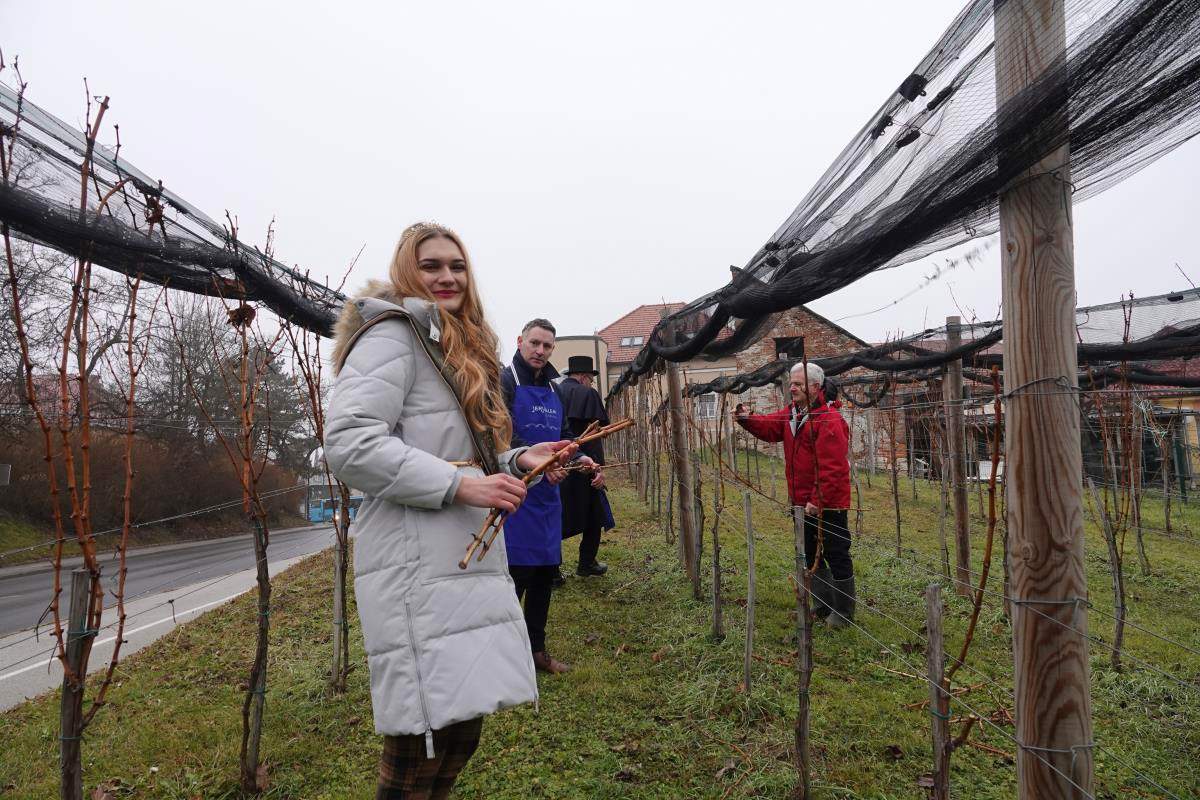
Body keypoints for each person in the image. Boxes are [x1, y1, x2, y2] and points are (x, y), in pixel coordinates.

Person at [325, 222, 576, 799]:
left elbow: (461, 455)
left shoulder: (453, 345)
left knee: (461, 731)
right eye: (431, 265)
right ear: (407, 272)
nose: (446, 277)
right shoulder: (393, 336)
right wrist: (462, 488)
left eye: (456, 266)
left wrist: (517, 462)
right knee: (420, 740)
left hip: (458, 560)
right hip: (415, 563)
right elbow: (350, 444)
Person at [735, 362, 855, 627]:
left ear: (815, 386)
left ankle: (844, 613)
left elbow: (832, 468)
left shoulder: (829, 420)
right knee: (811, 551)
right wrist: (747, 419)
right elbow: (770, 427)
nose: (792, 388)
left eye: (798, 384)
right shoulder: (793, 414)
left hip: (828, 504)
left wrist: (817, 500)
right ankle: (822, 605)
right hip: (801, 502)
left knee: (836, 553)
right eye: (791, 383)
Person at [499, 318, 583, 674]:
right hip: (515, 493)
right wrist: (536, 460)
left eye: (547, 346)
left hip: (548, 496)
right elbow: (500, 434)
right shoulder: (504, 381)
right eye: (535, 343)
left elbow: (563, 433)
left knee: (544, 575)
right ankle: (500, 655)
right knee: (514, 579)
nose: (540, 351)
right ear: (520, 342)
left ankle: (536, 650)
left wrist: (578, 457)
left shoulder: (556, 388)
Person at [557, 355, 613, 577]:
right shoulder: (587, 393)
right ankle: (586, 563)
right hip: (584, 464)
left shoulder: (555, 392)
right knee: (595, 516)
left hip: (557, 462)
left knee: (556, 516)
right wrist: (597, 468)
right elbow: (598, 433)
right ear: (583, 377)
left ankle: (551, 571)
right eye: (590, 379)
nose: (591, 384)